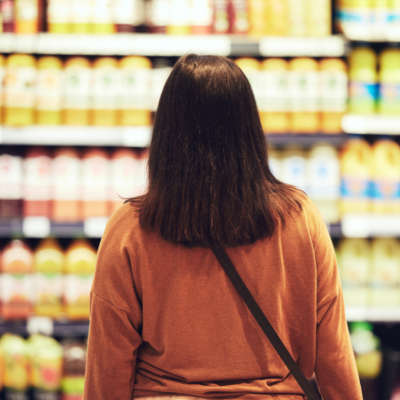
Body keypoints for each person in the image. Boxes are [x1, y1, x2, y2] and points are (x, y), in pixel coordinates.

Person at [83, 54, 363, 400]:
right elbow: (334, 351)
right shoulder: (300, 219)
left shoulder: (130, 229)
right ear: (249, 127)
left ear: (166, 131)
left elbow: (107, 365)